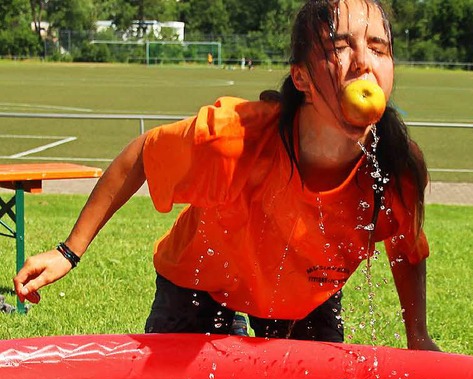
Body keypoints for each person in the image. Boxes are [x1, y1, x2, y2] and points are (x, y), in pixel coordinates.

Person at [14, 0, 440, 351]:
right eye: (339, 46)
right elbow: (143, 154)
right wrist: (68, 251)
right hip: (201, 281)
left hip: (305, 298)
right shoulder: (233, 139)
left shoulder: (397, 168)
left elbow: (406, 247)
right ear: (301, 77)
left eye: (379, 48)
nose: (363, 63)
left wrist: (417, 334)